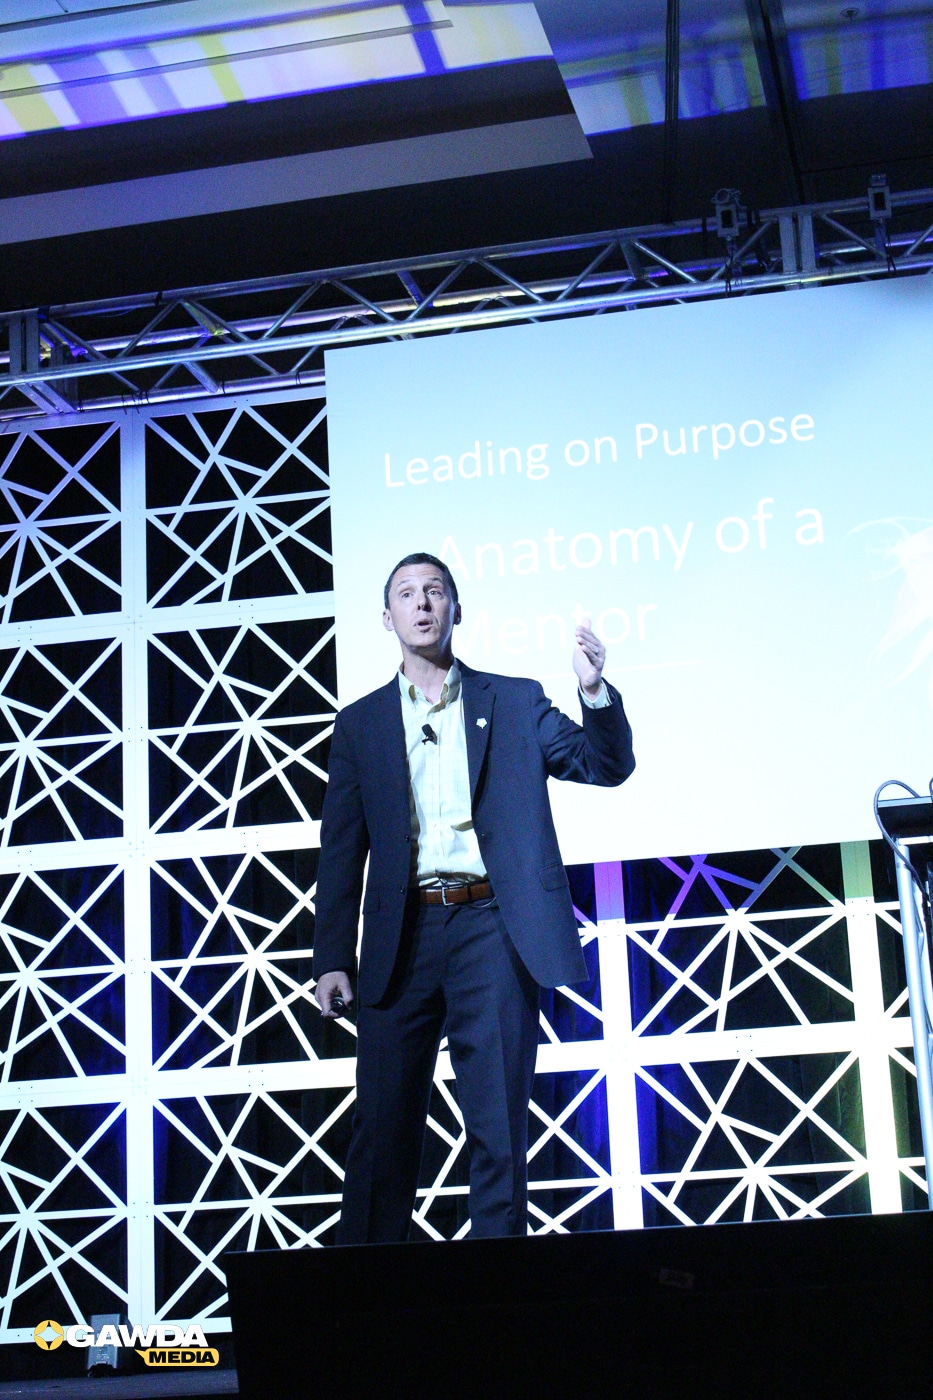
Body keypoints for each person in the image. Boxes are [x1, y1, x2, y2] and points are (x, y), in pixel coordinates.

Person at [313, 552, 634, 1243]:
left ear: (457, 609)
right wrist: (332, 957)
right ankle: (363, 1296)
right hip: (402, 936)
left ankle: (496, 1291)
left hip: (491, 929)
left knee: (497, 1128)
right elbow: (341, 849)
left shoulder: (512, 701)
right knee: (382, 1128)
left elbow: (605, 766)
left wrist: (594, 692)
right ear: (387, 618)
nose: (422, 603)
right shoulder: (360, 723)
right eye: (406, 594)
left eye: (435, 591)